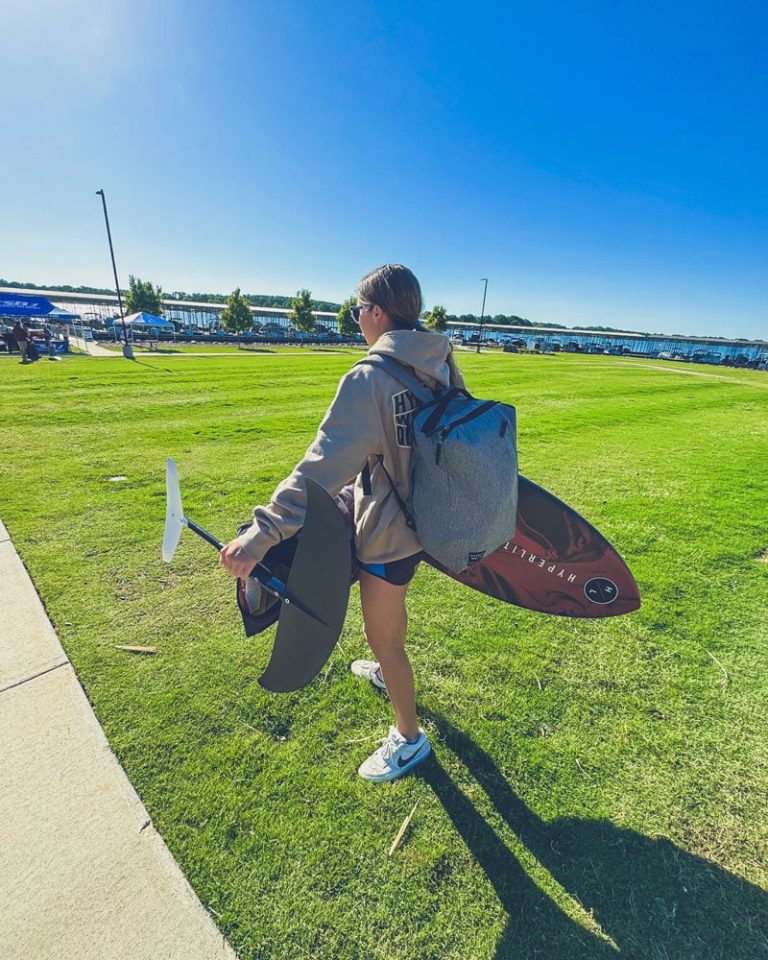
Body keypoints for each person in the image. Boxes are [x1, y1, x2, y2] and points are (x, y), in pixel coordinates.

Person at [220, 264, 465, 782]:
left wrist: (260, 533)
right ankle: (388, 669)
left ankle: (409, 737)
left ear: (377, 312)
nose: (356, 318)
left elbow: (319, 471)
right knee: (390, 624)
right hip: (431, 522)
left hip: (390, 537)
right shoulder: (439, 362)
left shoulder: (369, 379)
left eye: (358, 308)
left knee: (385, 638)